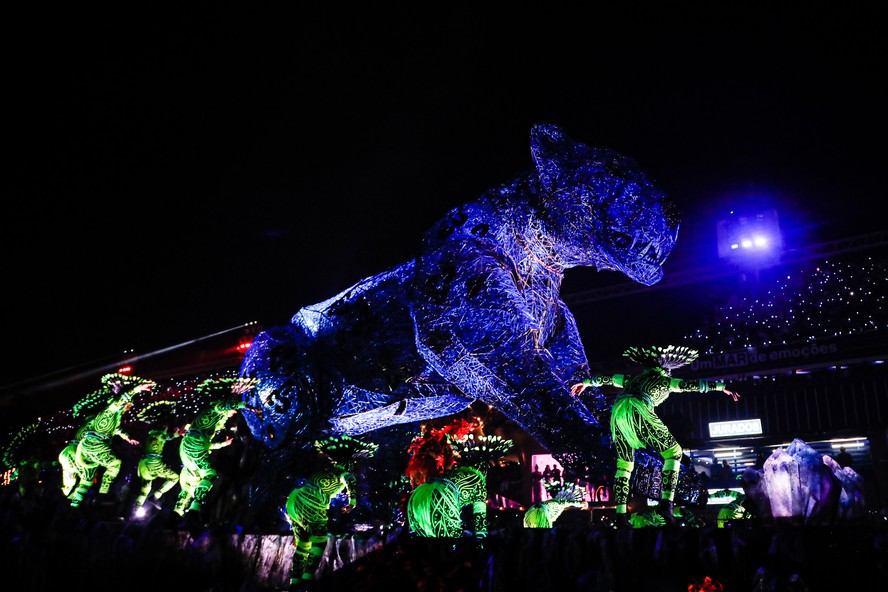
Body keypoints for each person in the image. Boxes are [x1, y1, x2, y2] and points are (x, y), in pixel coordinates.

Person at [570, 345, 739, 527]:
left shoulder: (632, 380)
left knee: (624, 465)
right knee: (674, 452)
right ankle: (666, 503)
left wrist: (586, 382)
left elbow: (609, 379)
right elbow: (692, 385)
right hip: (639, 407)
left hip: (618, 411)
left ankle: (620, 516)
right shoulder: (665, 381)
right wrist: (722, 387)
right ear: (666, 370)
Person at [285, 434, 378, 590]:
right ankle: (307, 582)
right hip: (311, 500)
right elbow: (350, 480)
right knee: (320, 541)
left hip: (294, 498)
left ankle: (295, 583)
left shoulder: (326, 472)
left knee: (303, 544)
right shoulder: (341, 472)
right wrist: (352, 502)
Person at [173, 377, 262, 518]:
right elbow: (223, 406)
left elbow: (208, 444)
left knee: (193, 482)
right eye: (233, 410)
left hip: (189, 447)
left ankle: (177, 512)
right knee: (210, 474)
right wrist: (247, 406)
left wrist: (223, 444)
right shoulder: (214, 410)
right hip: (193, 445)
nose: (234, 413)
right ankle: (195, 509)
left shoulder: (212, 421)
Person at [69, 373, 156, 508]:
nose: (129, 407)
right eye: (128, 405)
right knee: (115, 463)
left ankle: (73, 506)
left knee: (86, 481)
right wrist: (135, 390)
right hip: (95, 444)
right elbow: (118, 402)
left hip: (89, 445)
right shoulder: (110, 409)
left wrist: (128, 438)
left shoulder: (113, 417)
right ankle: (103, 494)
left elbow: (116, 430)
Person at [133, 422, 185, 512]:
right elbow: (170, 436)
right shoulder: (160, 435)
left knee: (145, 489)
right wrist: (178, 433)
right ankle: (155, 496)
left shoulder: (151, 434)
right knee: (174, 477)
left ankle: (136, 509)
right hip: (153, 462)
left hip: (143, 463)